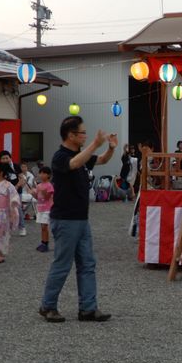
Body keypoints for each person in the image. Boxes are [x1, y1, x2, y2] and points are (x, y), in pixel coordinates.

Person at [39, 115, 117, 323]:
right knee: (62, 264)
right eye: (82, 133)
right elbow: (74, 163)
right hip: (65, 219)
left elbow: (100, 160)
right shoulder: (60, 156)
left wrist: (110, 148)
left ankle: (88, 308)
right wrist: (94, 144)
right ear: (71, 135)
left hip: (81, 219)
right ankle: (48, 305)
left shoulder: (81, 155)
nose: (85, 136)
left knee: (87, 263)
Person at [0, 150, 26, 236]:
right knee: (4, 210)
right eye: (3, 158)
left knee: (18, 209)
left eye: (7, 158)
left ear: (10, 158)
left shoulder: (16, 166)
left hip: (17, 191)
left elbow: (22, 178)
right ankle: (6, 229)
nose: (5, 160)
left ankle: (22, 227)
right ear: (0, 160)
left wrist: (16, 187)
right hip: (4, 191)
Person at [35, 166, 54, 253]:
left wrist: (43, 192)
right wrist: (33, 193)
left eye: (44, 173)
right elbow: (37, 197)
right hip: (40, 208)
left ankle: (45, 243)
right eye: (40, 173)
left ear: (48, 175)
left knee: (44, 226)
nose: (41, 175)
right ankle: (43, 242)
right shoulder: (39, 185)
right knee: (42, 227)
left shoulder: (49, 185)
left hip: (47, 208)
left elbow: (47, 197)